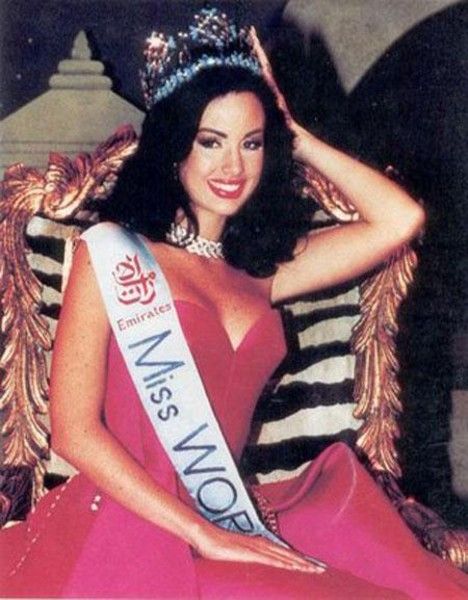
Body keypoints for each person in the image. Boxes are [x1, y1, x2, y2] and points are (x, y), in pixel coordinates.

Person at [1, 7, 467, 599]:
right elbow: (73, 433)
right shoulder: (112, 253)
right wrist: (203, 533)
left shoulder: (262, 272)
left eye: (252, 143)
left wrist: (296, 137)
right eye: (210, 141)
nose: (232, 167)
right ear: (175, 147)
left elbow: (400, 219)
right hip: (130, 521)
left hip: (233, 509)